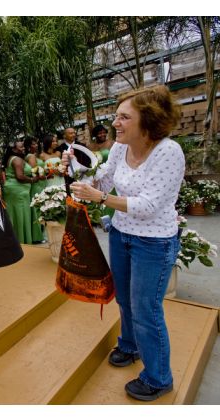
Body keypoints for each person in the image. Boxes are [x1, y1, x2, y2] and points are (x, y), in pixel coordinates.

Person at [64, 85, 183, 401]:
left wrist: (101, 198)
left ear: (148, 121)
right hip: (121, 234)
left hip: (153, 243)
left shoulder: (168, 152)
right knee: (126, 300)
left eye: (124, 117)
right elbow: (102, 180)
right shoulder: (119, 147)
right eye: (116, 116)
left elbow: (148, 205)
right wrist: (80, 170)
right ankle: (130, 346)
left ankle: (159, 378)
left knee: (146, 308)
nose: (115, 123)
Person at [1, 140, 37, 244]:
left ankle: (14, 240)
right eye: (21, 147)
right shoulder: (17, 160)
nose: (24, 148)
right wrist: (32, 180)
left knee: (14, 215)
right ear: (13, 149)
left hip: (13, 190)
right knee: (21, 215)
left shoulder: (11, 159)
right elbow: (20, 176)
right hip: (18, 191)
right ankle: (22, 241)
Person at [24, 136, 46, 243]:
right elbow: (35, 172)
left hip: (40, 184)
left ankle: (39, 234)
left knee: (39, 208)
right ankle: (38, 236)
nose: (36, 145)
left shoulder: (34, 156)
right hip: (38, 184)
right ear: (28, 147)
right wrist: (48, 174)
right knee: (38, 209)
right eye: (33, 144)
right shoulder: (31, 156)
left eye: (36, 143)